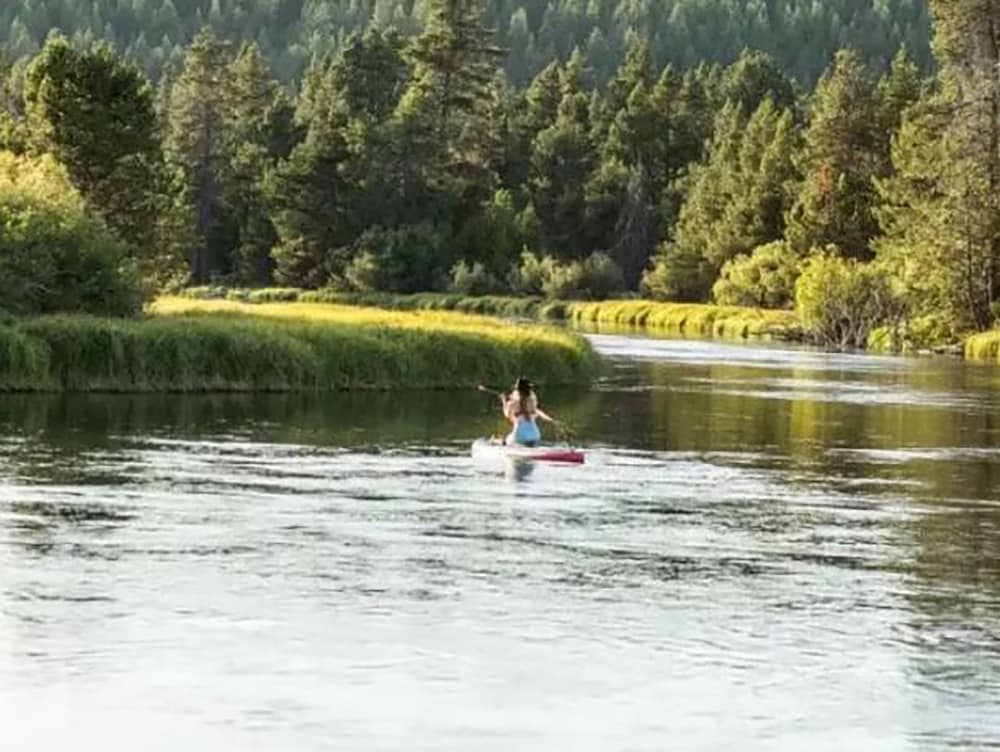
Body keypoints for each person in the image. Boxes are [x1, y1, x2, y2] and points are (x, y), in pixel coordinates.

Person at [500, 377, 554, 447]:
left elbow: (507, 415)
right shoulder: (532, 401)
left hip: (520, 435)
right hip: (535, 434)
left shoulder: (513, 402)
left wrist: (504, 401)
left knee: (506, 441)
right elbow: (535, 411)